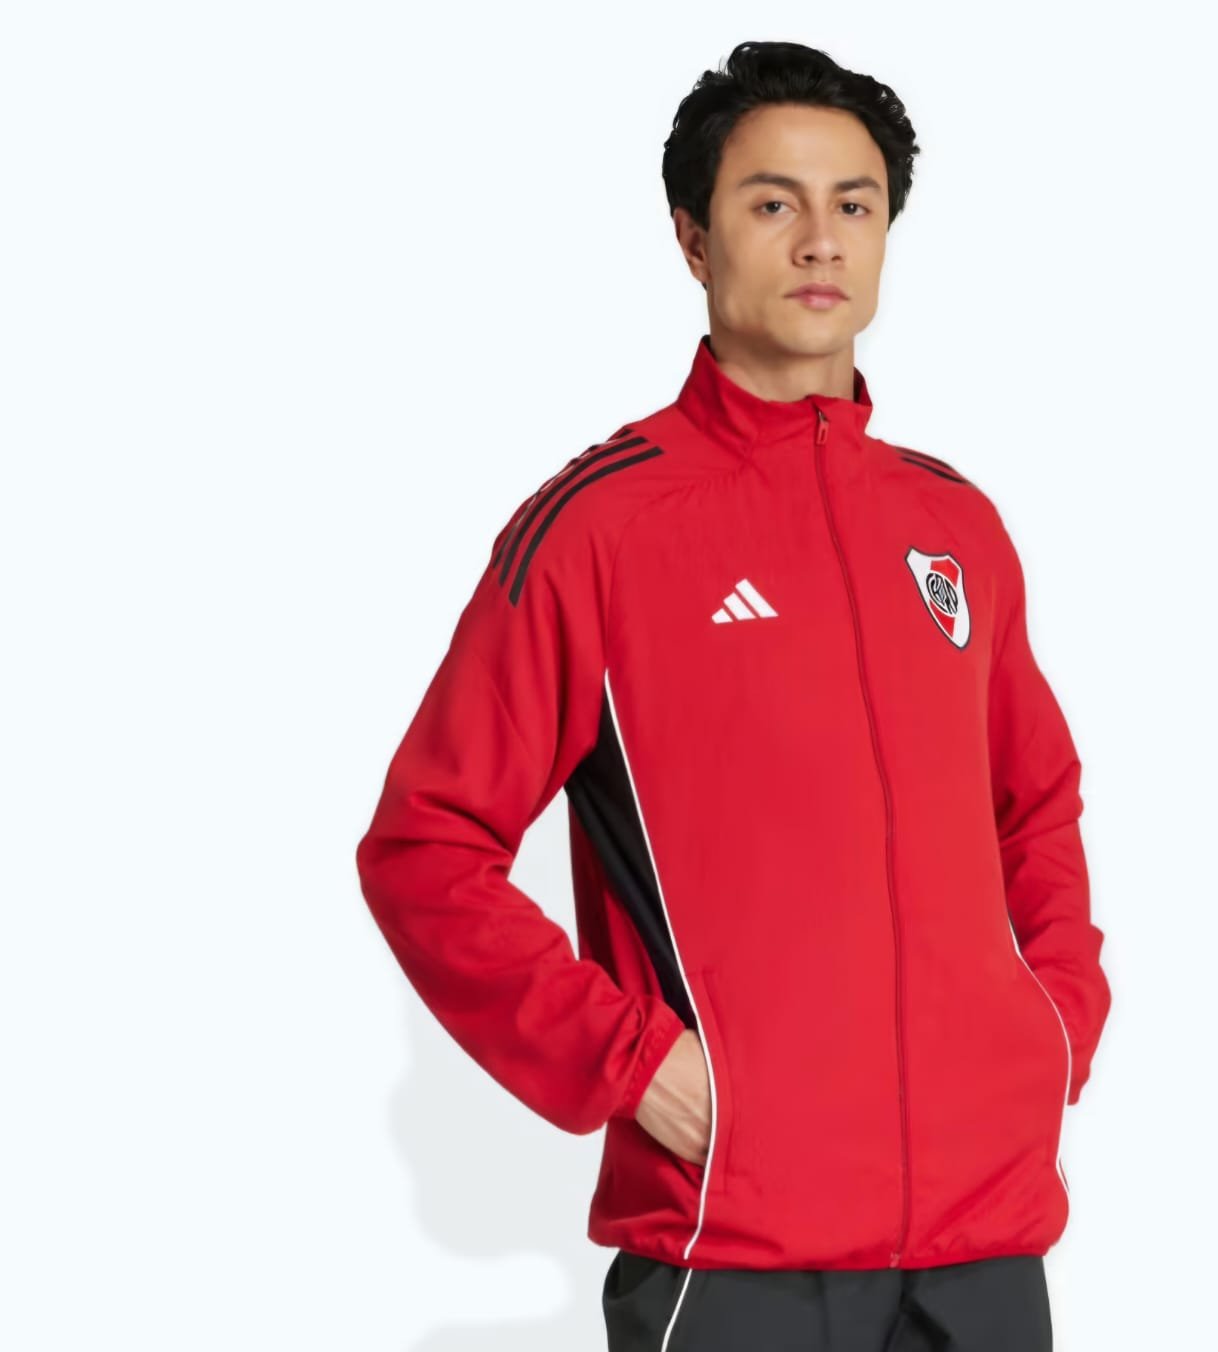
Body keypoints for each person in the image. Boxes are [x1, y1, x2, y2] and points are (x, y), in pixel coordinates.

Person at [355, 39, 1112, 1351]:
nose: (820, 240)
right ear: (694, 239)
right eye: (774, 203)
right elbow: (425, 848)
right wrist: (629, 1062)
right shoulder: (601, 531)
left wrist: (1051, 1028)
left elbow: (1035, 805)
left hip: (987, 1240)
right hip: (737, 1245)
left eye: (854, 204)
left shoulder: (954, 527)